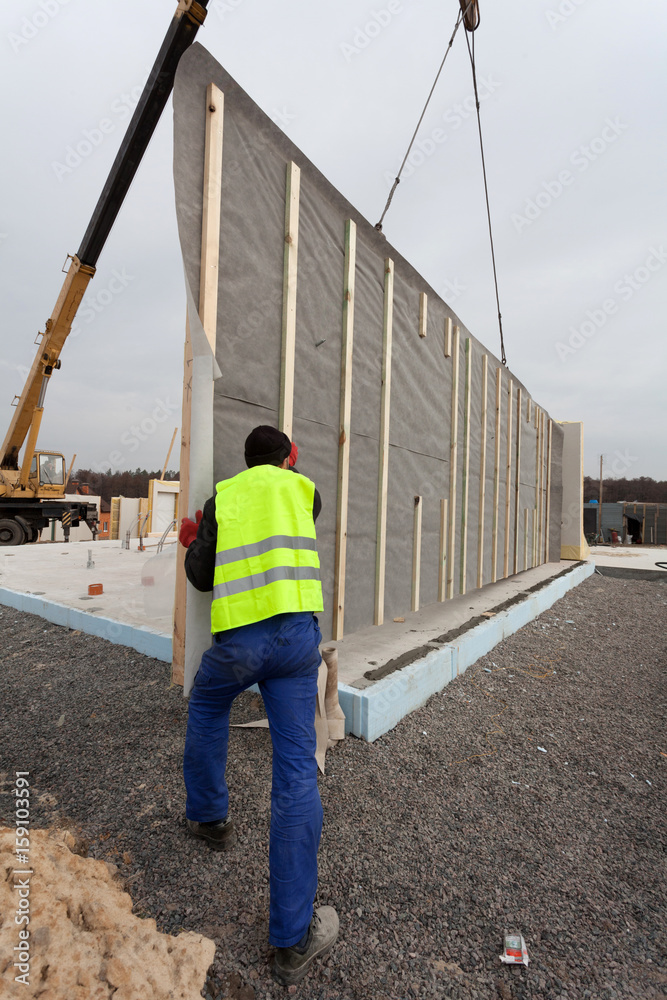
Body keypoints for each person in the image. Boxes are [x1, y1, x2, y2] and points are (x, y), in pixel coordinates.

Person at [179, 425, 338, 986]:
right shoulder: (306, 493)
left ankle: (210, 819)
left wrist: (194, 539)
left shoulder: (222, 499)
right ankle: (292, 942)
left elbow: (202, 578)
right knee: (295, 771)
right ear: (289, 457)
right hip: (296, 643)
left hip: (240, 647)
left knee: (206, 707)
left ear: (246, 461)